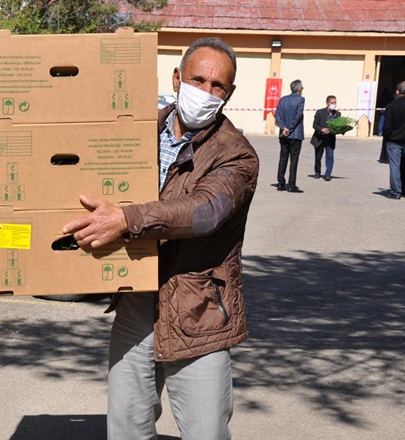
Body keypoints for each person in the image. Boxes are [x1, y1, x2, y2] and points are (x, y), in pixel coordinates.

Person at [62, 37, 258, 440]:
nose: (205, 92)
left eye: (217, 86)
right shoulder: (133, 131)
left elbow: (205, 211)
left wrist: (126, 219)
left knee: (206, 431)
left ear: (229, 93)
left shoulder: (237, 155)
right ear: (176, 77)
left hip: (198, 309)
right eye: (197, 79)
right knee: (126, 424)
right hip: (136, 298)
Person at [274, 79, 305, 192]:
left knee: (283, 158)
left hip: (284, 134)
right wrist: (290, 129)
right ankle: (291, 184)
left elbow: (277, 115)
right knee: (294, 159)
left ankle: (281, 183)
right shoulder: (301, 100)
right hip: (295, 134)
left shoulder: (282, 100)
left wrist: (283, 128)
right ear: (299, 89)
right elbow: (298, 115)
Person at [383, 81, 405, 199]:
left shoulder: (391, 106)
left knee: (395, 167)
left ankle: (396, 192)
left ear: (397, 92)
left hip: (394, 140)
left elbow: (387, 126)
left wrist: (387, 136)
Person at [310, 95, 341, 181]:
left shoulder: (337, 114)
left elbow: (338, 127)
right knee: (318, 157)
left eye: (335, 103)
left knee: (330, 157)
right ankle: (317, 172)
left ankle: (328, 174)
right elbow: (315, 125)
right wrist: (321, 130)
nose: (334, 104)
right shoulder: (320, 112)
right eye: (332, 103)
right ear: (327, 103)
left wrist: (336, 130)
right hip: (319, 138)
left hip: (330, 139)